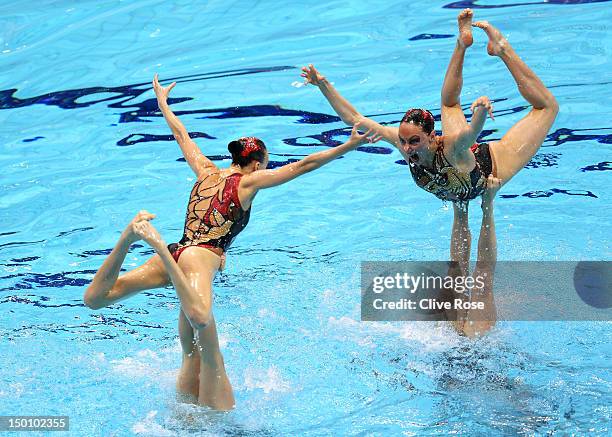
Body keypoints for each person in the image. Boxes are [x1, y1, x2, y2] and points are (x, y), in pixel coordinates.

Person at [83, 74, 381, 410]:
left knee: (110, 304)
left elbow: (182, 135)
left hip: (177, 248)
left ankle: (186, 403)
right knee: (201, 320)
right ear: (255, 164)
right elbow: (305, 164)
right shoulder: (248, 182)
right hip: (198, 257)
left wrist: (163, 103)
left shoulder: (206, 170)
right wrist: (348, 145)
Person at [301, 9, 558, 204]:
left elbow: (471, 134)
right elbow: (354, 118)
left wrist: (480, 111)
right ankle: (462, 43)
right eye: (403, 141)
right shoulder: (403, 144)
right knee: (449, 104)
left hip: (490, 165)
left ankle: (502, 49)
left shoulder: (449, 144)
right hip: (461, 167)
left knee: (547, 108)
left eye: (414, 141)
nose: (406, 147)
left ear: (432, 136)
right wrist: (322, 84)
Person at [447, 175, 501, 338]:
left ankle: (461, 204)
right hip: (477, 348)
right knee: (481, 285)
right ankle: (486, 205)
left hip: (451, 346)